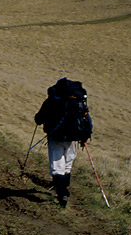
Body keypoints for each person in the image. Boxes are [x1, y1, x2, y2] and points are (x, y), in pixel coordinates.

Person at [34, 77, 93, 207]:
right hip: (73, 137)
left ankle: (62, 193)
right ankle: (64, 189)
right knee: (68, 162)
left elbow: (40, 118)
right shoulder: (78, 101)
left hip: (56, 136)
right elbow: (87, 119)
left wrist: (38, 120)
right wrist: (85, 136)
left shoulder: (53, 100)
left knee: (56, 165)